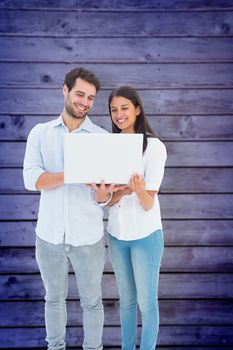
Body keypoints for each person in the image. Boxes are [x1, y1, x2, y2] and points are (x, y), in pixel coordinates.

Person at [23, 67, 118, 350]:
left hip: (87, 238)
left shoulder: (101, 138)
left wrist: (103, 195)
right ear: (65, 90)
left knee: (92, 302)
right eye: (80, 94)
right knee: (53, 299)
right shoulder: (40, 133)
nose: (85, 102)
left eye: (90, 97)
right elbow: (32, 179)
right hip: (49, 236)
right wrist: (72, 173)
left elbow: (104, 198)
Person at [107, 86, 167, 350]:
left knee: (147, 303)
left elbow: (147, 202)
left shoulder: (154, 147)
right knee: (127, 301)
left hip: (145, 236)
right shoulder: (108, 147)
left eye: (124, 108)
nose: (119, 115)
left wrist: (137, 188)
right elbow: (106, 201)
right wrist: (118, 192)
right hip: (117, 235)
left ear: (138, 109)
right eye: (113, 110)